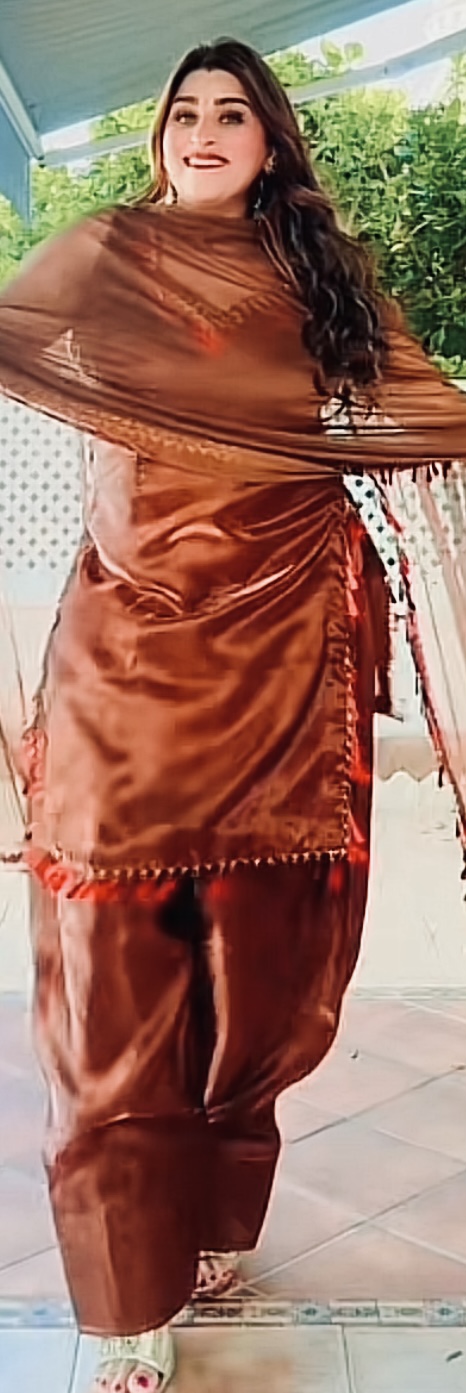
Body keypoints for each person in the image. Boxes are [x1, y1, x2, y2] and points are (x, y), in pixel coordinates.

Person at [1, 35, 466, 1392]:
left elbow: (421, 421)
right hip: (124, 668)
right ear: (158, 137)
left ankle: (206, 1212)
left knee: (262, 981)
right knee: (113, 983)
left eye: (232, 115)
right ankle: (123, 1304)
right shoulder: (104, 254)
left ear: (270, 143)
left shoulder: (324, 273)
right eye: (184, 113)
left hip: (285, 661)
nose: (202, 132)